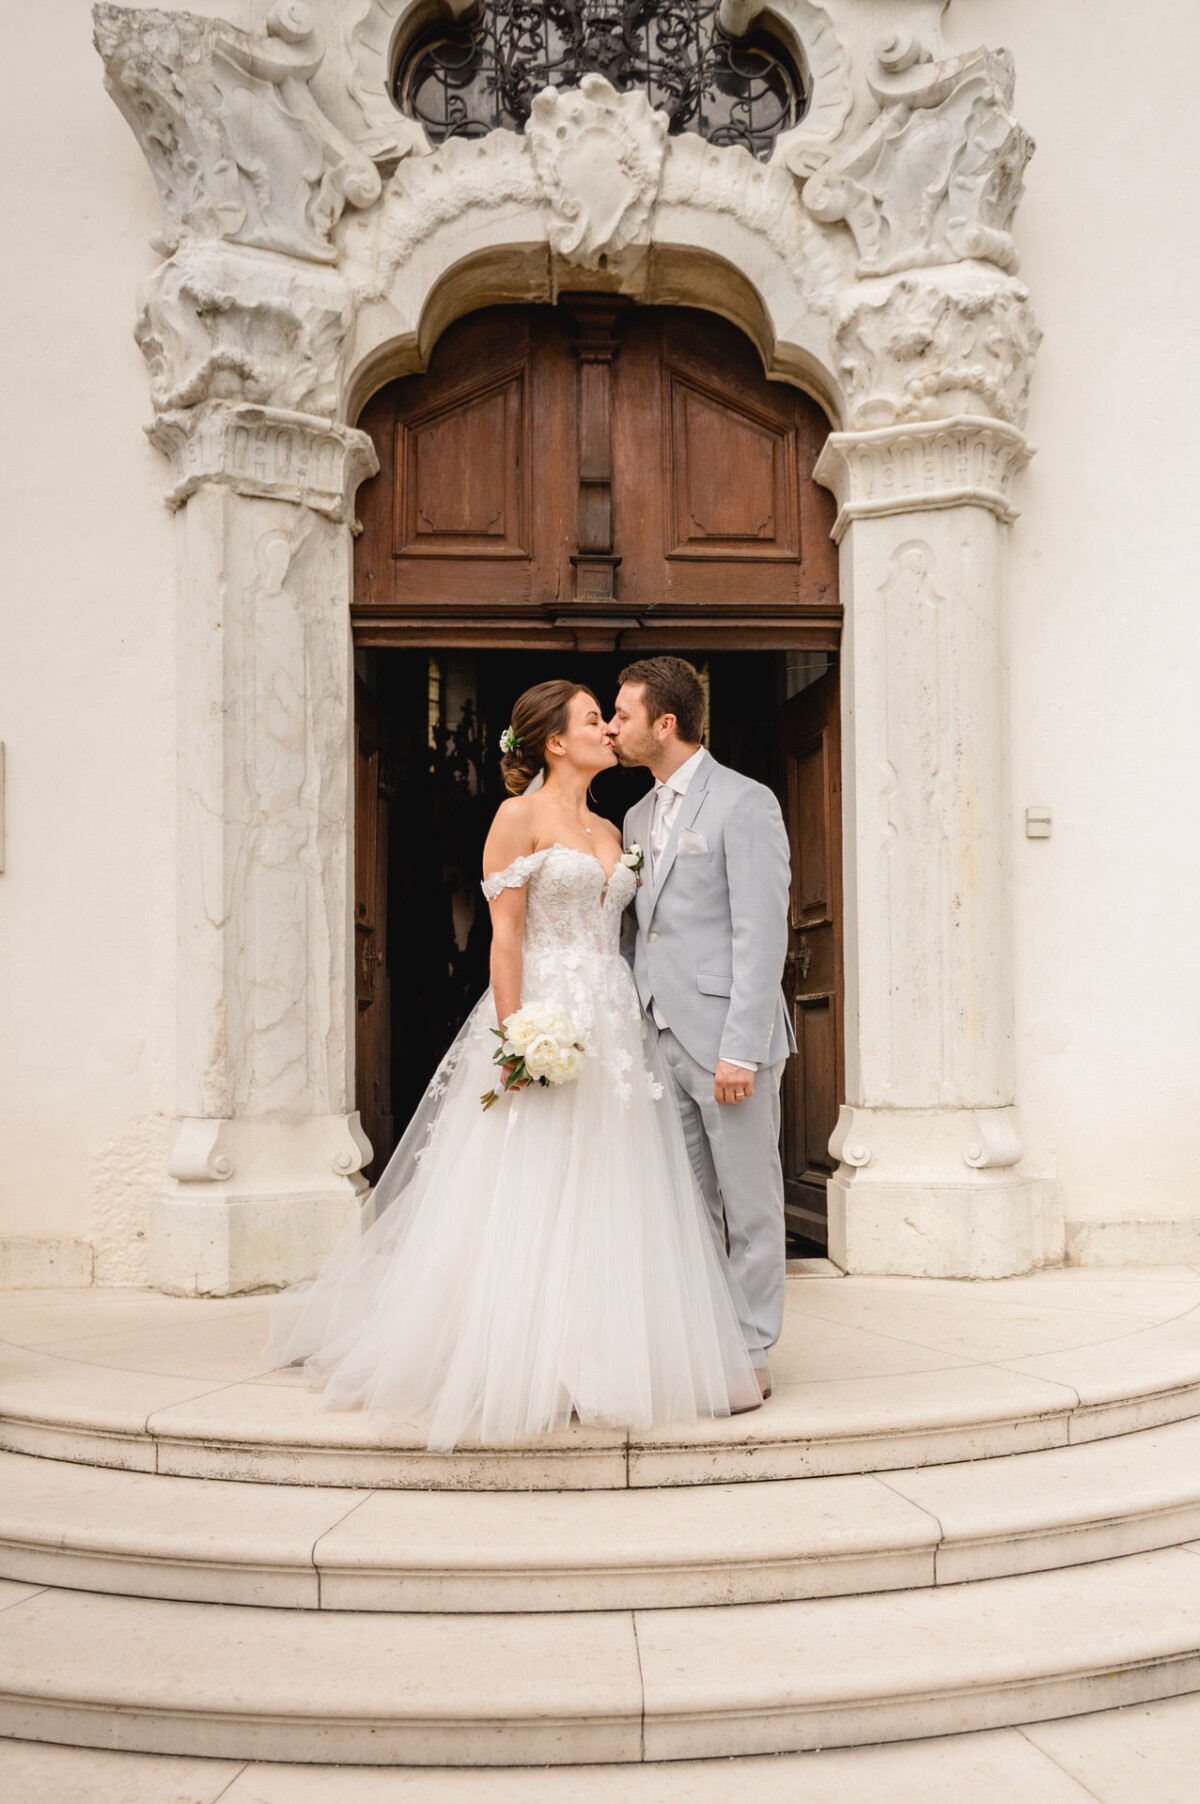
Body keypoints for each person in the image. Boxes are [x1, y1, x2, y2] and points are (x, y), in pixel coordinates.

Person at [266, 679, 760, 1451]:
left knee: (613, 1181)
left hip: (615, 1020)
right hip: (546, 1007)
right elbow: (505, 938)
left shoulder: (616, 824)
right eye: (594, 719)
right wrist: (516, 1034)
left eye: (610, 717)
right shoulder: (516, 818)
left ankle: (604, 1353)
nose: (608, 729)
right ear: (556, 742)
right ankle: (520, 1359)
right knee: (532, 1179)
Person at [609, 657, 795, 1399]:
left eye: (623, 715)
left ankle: (751, 1352)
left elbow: (761, 934)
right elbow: (641, 932)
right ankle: (707, 1341)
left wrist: (742, 1049)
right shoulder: (635, 817)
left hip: (727, 1042)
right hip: (660, 1036)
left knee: (749, 1204)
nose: (612, 728)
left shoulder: (745, 802)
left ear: (665, 723)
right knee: (686, 1206)